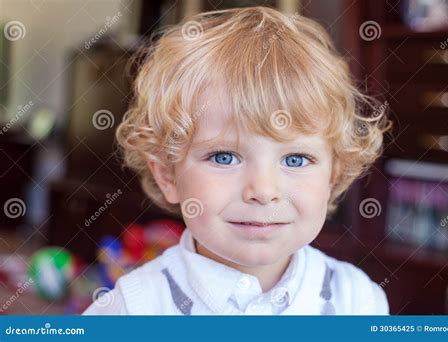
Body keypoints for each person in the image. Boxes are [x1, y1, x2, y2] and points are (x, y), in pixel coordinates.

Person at [84, 5, 392, 315]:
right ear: (167, 175)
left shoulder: (358, 300)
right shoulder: (131, 309)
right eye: (224, 157)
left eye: (296, 160)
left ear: (333, 176)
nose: (263, 190)